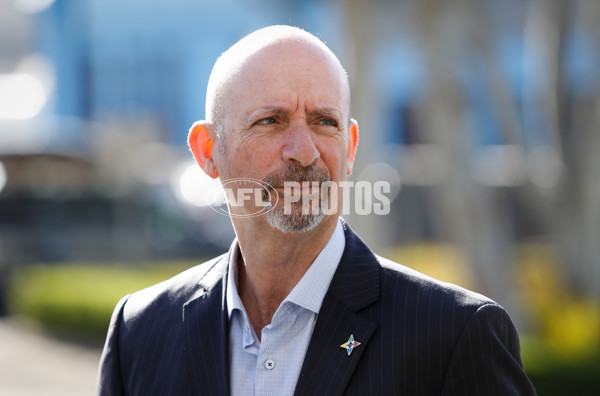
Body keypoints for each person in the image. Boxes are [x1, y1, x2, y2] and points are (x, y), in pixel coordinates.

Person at [97, 25, 536, 395]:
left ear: (350, 148)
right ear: (209, 150)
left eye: (325, 122)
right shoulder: (140, 330)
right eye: (271, 121)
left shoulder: (454, 335)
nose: (305, 152)